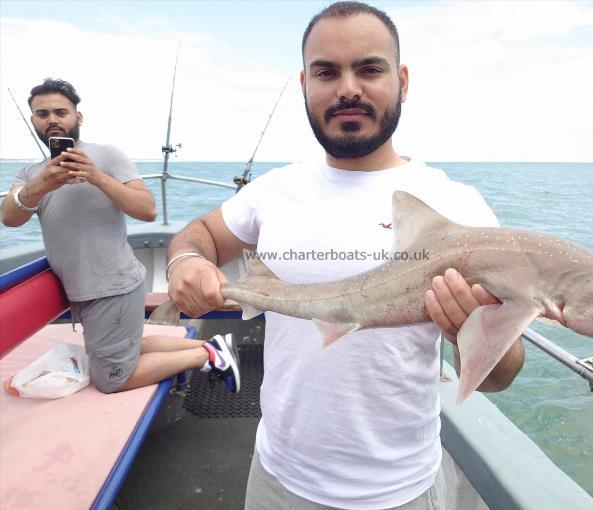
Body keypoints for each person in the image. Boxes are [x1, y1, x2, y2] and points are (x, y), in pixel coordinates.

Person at [167, 2, 525, 509]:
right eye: (327, 72)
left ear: (403, 80)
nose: (348, 88)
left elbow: (504, 375)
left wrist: (470, 332)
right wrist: (185, 261)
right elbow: (200, 232)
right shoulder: (273, 191)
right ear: (304, 85)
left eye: (370, 68)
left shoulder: (458, 207)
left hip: (402, 490)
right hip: (276, 478)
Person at [0, 78, 240, 395]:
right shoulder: (30, 175)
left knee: (112, 378)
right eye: (42, 114)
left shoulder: (107, 156)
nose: (52, 120)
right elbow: (9, 217)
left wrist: (97, 177)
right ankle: (213, 346)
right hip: (81, 289)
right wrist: (41, 185)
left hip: (112, 285)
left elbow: (147, 209)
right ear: (33, 121)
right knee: (127, 346)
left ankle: (206, 356)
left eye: (61, 111)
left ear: (78, 117)